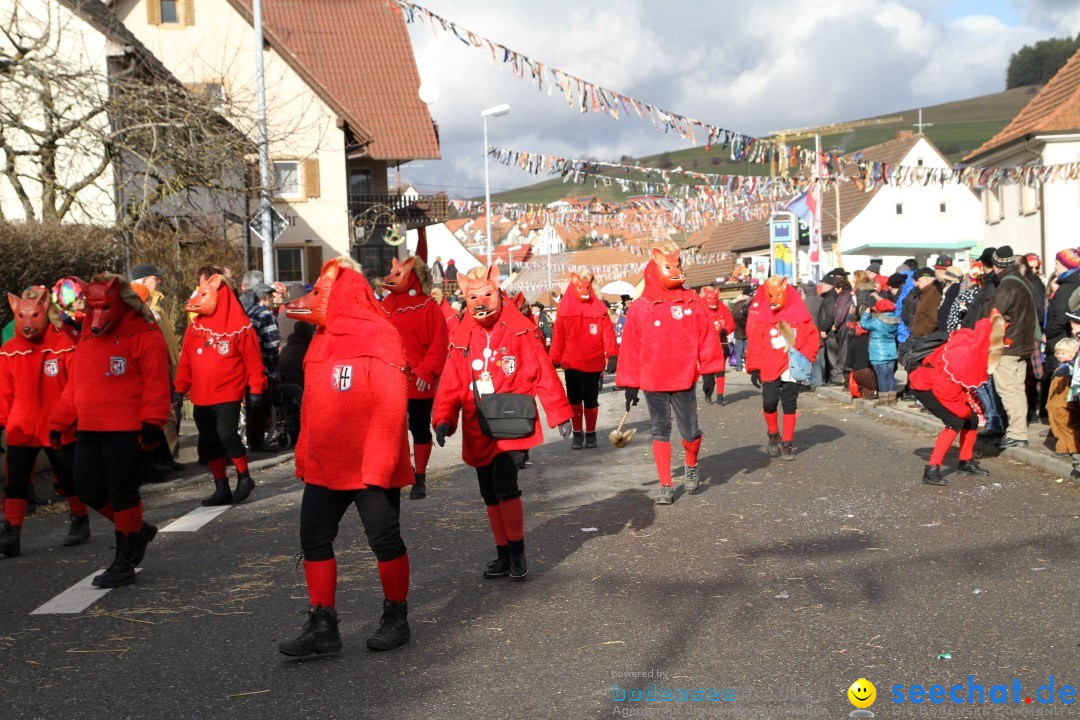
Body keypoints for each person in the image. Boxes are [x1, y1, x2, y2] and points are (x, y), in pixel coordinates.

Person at [278, 258, 413, 657]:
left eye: (323, 293)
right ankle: (323, 625)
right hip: (326, 464)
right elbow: (313, 409)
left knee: (384, 541)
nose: (313, 300)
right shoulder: (321, 337)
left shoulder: (382, 337)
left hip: (371, 464)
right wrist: (305, 456)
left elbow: (391, 408)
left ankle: (396, 617)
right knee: (313, 538)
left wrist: (380, 465)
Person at [433, 265, 572, 579]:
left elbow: (542, 372)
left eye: (487, 294)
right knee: (488, 492)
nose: (481, 301)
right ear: (465, 298)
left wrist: (560, 413)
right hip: (477, 423)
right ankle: (503, 554)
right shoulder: (462, 338)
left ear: (497, 292)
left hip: (511, 420)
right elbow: (452, 381)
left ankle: (518, 552)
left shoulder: (519, 330)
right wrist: (443, 418)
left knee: (506, 487)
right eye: (473, 296)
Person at [49, 274, 170, 587]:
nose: (98, 315)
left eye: (105, 308)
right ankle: (137, 531)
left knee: (123, 493)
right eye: (94, 307)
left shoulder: (145, 333)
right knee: (87, 488)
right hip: (90, 427)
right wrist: (58, 422)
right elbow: (76, 385)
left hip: (126, 429)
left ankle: (124, 561)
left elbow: (156, 382)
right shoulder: (88, 337)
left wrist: (152, 423)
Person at [616, 249, 725, 504]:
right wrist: (630, 385)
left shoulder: (692, 301)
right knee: (659, 430)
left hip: (684, 377)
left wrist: (710, 370)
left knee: (690, 431)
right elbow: (631, 347)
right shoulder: (640, 308)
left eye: (678, 266)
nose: (676, 272)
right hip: (653, 379)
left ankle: (691, 463)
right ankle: (665, 484)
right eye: (669, 267)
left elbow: (707, 335)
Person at [0, 287, 87, 556]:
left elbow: (77, 385)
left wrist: (75, 418)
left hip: (57, 425)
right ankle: (12, 532)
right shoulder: (9, 351)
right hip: (21, 427)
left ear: (44, 311)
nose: (28, 323)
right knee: (15, 482)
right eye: (22, 316)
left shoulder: (63, 345)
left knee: (68, 477)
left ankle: (79, 519)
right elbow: (3, 392)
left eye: (34, 315)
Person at [175, 272, 266, 506]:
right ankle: (221, 486)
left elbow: (253, 361)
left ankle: (244, 477)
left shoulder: (240, 328)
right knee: (209, 441)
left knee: (227, 435)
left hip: (228, 391)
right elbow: (186, 361)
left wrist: (256, 388)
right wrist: (179, 388)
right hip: (201, 394)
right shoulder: (195, 328)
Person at [380, 255, 449, 500]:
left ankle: (419, 476)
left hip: (419, 379)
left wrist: (427, 370)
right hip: (389, 380)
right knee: (393, 429)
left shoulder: (427, 306)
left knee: (418, 427)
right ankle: (403, 470)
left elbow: (439, 343)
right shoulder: (384, 307)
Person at [908, 312, 1004, 485]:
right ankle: (932, 470)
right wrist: (963, 409)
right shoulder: (964, 354)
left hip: (938, 383)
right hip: (925, 385)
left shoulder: (973, 345)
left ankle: (965, 462)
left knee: (971, 420)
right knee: (956, 421)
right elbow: (946, 391)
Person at [744, 276, 821, 460]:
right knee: (769, 402)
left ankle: (787, 443)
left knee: (789, 404)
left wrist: (806, 357)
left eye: (777, 294)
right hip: (769, 365)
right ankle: (773, 435)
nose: (773, 300)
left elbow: (812, 338)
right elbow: (755, 343)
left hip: (791, 367)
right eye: (770, 295)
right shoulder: (763, 318)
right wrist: (754, 367)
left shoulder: (800, 315)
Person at [549, 272, 617, 449]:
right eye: (580, 287)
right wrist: (552, 359)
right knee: (574, 398)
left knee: (591, 398)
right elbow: (558, 338)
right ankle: (578, 433)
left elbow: (608, 334)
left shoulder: (600, 312)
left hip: (593, 362)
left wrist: (612, 354)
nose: (585, 291)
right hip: (572, 363)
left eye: (588, 287)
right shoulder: (564, 314)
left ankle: (591, 433)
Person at [985, 246, 1038, 449]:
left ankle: (1017, 433)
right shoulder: (1023, 281)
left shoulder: (1006, 286)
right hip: (1023, 344)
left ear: (997, 265)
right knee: (1017, 389)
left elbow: (995, 314)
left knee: (1008, 390)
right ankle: (1019, 431)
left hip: (1008, 346)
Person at [239, 280, 279, 449]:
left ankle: (249, 437)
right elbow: (272, 345)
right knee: (261, 406)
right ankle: (256, 441)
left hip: (246, 366)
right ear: (266, 298)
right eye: (271, 297)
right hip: (262, 367)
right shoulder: (266, 315)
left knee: (249, 404)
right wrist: (273, 365)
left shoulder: (248, 312)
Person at [699, 286, 735, 404]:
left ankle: (720, 397)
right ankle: (708, 392)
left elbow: (731, 324)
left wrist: (726, 329)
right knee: (708, 376)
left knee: (720, 371)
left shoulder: (723, 309)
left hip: (721, 345)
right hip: (706, 347)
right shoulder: (700, 308)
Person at [1045, 336, 1080, 460]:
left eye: (1063, 353)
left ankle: (1072, 447)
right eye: (1058, 353)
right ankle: (1064, 447)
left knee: (1067, 427)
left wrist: (1067, 403)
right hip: (1055, 404)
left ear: (1073, 354)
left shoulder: (1069, 369)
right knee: (1058, 427)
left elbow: (1071, 388)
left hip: (1064, 404)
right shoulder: (1060, 367)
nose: (1059, 355)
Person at [860, 299, 900, 405]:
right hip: (891, 350)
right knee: (890, 375)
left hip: (878, 351)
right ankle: (892, 399)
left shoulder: (876, 321)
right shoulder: (895, 320)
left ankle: (883, 399)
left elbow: (863, 324)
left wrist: (867, 313)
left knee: (881, 376)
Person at [909, 268, 942, 338]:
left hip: (927, 338)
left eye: (918, 280)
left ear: (927, 279)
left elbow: (933, 318)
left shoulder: (934, 293)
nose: (916, 284)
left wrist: (919, 331)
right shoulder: (926, 292)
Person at [729, 292, 750, 372]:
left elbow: (732, 319)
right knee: (747, 350)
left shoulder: (735, 308)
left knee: (738, 350)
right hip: (747, 331)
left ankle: (739, 366)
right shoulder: (747, 306)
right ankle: (747, 365)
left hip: (738, 332)